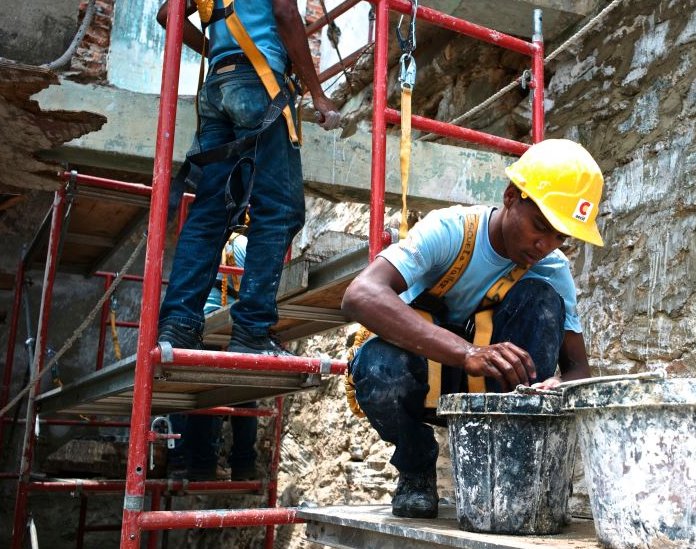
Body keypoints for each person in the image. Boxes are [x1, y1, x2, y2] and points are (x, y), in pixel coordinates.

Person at [341, 139, 605, 519]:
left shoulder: (551, 269)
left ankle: (514, 468)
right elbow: (360, 294)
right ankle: (416, 468)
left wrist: (557, 386)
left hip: (493, 388)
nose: (546, 245)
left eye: (560, 237)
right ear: (512, 197)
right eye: (540, 227)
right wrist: (467, 354)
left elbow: (578, 368)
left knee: (542, 300)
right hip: (422, 377)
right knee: (378, 364)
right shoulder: (450, 230)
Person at [154, 0, 340, 356]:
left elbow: (167, 15)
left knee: (210, 213)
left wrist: (217, 51)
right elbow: (285, 12)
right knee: (280, 209)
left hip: (218, 87)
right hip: (260, 84)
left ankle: (177, 325)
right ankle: (253, 329)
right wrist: (318, 94)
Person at [168, 233, 258, 481]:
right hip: (227, 324)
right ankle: (242, 464)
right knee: (246, 394)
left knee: (202, 395)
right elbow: (259, 285)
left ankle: (198, 464)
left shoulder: (203, 242)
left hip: (197, 325)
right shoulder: (244, 244)